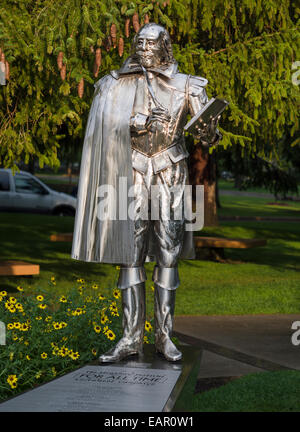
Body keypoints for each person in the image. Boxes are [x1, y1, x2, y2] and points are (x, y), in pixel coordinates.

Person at [71, 23, 221, 363]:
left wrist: (209, 129)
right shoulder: (117, 83)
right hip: (130, 168)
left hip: (170, 169)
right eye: (139, 42)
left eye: (150, 44)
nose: (142, 49)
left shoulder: (187, 85)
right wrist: (131, 122)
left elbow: (207, 137)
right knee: (130, 252)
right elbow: (101, 125)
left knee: (168, 251)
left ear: (164, 46)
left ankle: (164, 337)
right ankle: (129, 338)